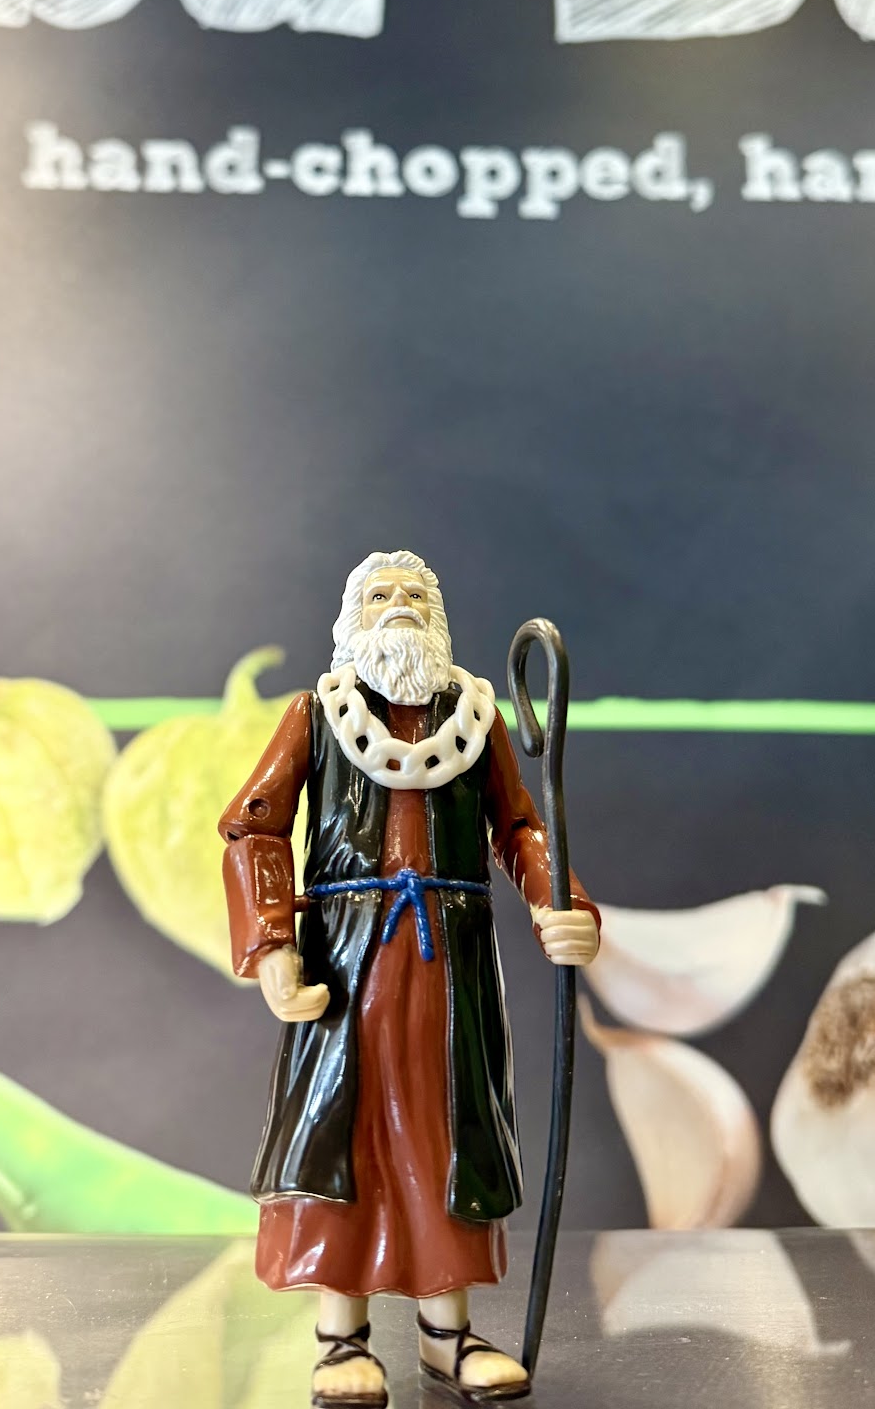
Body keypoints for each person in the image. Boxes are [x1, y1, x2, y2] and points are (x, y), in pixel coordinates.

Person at [220, 549, 600, 1407]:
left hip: (449, 971)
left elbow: (521, 829)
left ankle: (446, 1333)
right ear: (351, 618)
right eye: (381, 595)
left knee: (445, 1136)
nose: (400, 605)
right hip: (347, 966)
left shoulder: (475, 719)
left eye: (416, 594)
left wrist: (563, 905)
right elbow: (254, 830)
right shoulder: (317, 715)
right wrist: (272, 944)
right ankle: (340, 1339)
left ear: (439, 614)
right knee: (341, 1137)